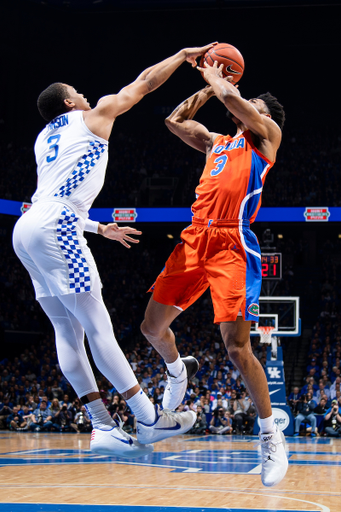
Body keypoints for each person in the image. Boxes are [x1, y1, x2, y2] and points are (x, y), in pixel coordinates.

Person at [12, 43, 215, 458]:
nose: (86, 95)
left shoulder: (42, 138)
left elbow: (52, 198)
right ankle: (147, 417)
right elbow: (143, 85)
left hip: (27, 229)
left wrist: (99, 226)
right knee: (98, 326)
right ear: (69, 102)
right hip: (57, 225)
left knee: (66, 331)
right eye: (78, 92)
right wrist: (180, 57)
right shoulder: (92, 115)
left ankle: (103, 424)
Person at [140, 60, 287, 486]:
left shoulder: (267, 138)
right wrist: (207, 86)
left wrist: (219, 78)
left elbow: (232, 100)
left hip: (232, 244)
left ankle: (270, 434)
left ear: (264, 117)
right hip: (193, 239)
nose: (244, 105)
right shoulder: (216, 143)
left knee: (237, 348)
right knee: (151, 327)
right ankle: (176, 369)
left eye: (253, 104)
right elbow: (174, 120)